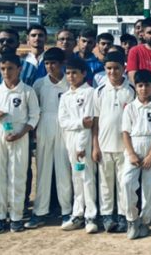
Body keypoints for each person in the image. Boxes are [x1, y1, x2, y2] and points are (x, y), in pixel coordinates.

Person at [0, 54, 40, 234]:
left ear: (19, 69)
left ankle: (16, 216)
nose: (6, 72)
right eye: (3, 69)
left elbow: (34, 116)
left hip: (19, 134)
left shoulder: (27, 91)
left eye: (10, 68)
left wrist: (21, 133)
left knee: (17, 175)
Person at [25, 48, 72, 230]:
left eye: (53, 63)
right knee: (43, 170)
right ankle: (39, 212)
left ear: (61, 64)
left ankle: (66, 211)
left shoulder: (69, 83)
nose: (50, 67)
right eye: (46, 63)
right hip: (44, 126)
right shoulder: (39, 84)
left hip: (64, 127)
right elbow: (34, 109)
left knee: (63, 170)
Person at [92, 51, 135, 234]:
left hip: (124, 148)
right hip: (104, 145)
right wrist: (95, 145)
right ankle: (107, 215)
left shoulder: (131, 90)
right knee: (105, 183)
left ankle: (124, 216)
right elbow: (95, 121)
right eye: (109, 68)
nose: (113, 72)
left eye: (116, 68)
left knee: (123, 183)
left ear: (124, 68)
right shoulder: (100, 90)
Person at [121, 70, 151, 239]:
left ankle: (145, 221)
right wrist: (131, 154)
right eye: (140, 85)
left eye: (147, 85)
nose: (144, 89)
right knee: (127, 182)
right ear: (136, 87)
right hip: (133, 144)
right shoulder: (130, 107)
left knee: (149, 187)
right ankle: (132, 219)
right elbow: (125, 132)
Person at [58, 58, 98, 234]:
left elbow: (90, 121)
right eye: (68, 73)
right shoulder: (66, 95)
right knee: (76, 177)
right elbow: (63, 121)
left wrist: (81, 145)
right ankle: (77, 213)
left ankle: (91, 215)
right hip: (70, 140)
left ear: (84, 73)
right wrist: (80, 122)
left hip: (84, 141)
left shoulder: (90, 93)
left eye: (75, 72)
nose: (71, 76)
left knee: (87, 177)